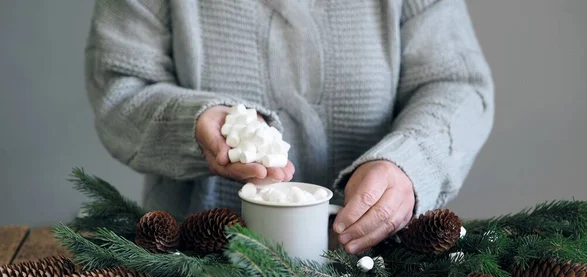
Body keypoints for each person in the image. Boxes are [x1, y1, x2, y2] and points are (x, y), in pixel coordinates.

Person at [85, 0, 493, 254]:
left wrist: (409, 162)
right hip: (193, 265)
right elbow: (119, 90)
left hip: (382, 270)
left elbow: (455, 84)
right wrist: (197, 122)